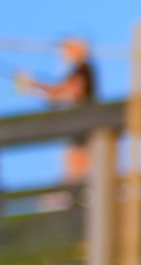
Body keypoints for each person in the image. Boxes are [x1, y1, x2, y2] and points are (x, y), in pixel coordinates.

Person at [15, 37, 97, 185]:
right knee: (74, 172)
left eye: (68, 48)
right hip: (79, 132)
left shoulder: (83, 70)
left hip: (83, 133)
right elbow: (58, 94)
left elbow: (64, 92)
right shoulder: (79, 71)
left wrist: (32, 84)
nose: (64, 53)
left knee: (78, 173)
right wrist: (32, 88)